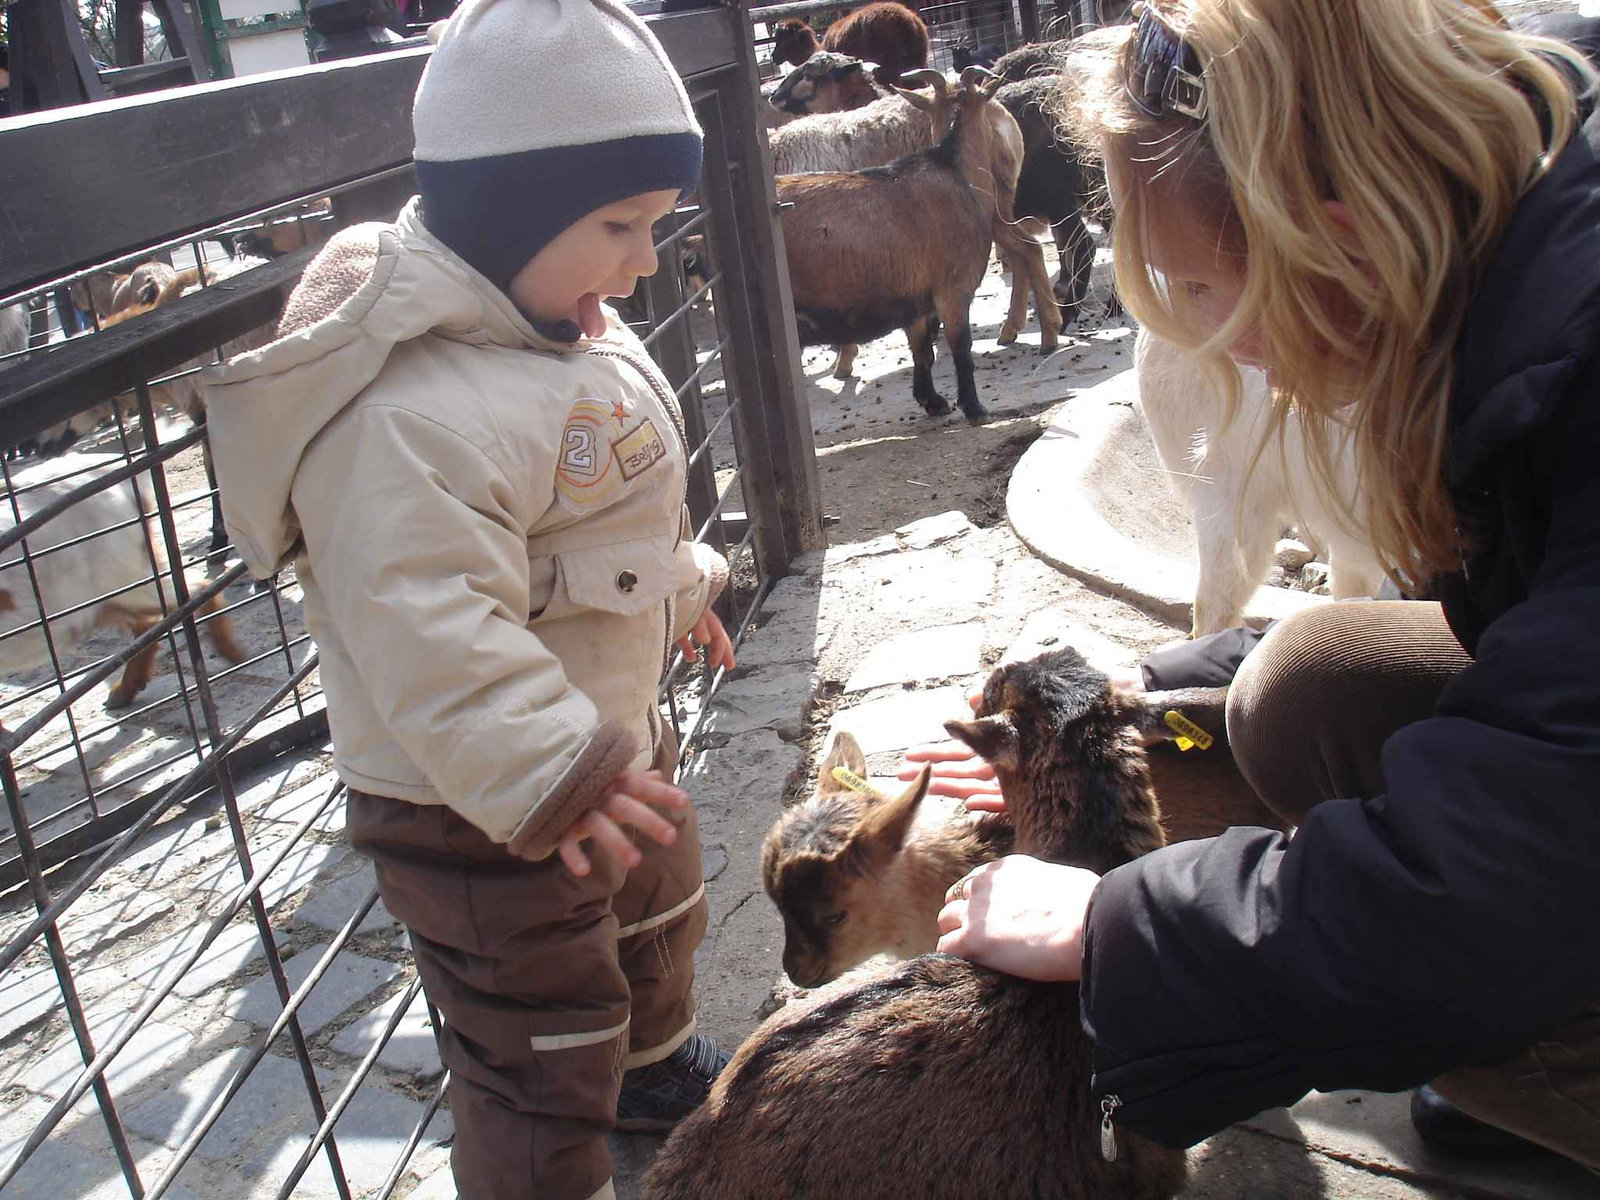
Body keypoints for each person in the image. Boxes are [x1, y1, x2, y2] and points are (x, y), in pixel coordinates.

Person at [923, 0, 1600, 1172]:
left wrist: (1120, 930)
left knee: (1450, 988)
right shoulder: (1511, 231)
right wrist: (1127, 692)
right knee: (1307, 678)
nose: (1206, 339)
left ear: (1333, 237)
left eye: (1197, 290)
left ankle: (1540, 1073)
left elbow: (1539, 853)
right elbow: (1553, 663)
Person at [205, 1, 734, 1195]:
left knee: (655, 916)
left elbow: (609, 526)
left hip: (598, 753)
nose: (645, 259)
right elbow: (428, 629)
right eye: (619, 224)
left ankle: (648, 1069)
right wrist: (562, 773)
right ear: (512, 208)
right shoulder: (405, 416)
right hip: (477, 807)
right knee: (536, 1038)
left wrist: (683, 589)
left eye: (653, 224)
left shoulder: (558, 331)